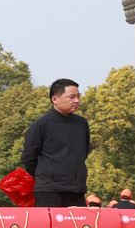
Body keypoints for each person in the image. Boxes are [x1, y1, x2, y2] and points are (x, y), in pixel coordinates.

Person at [21, 78, 91, 208]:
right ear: (55, 99)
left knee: (77, 227)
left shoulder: (82, 123)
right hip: (49, 192)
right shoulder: (41, 124)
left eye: (78, 96)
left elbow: (84, 152)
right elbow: (28, 158)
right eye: (71, 97)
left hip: (77, 191)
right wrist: (47, 176)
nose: (77, 101)